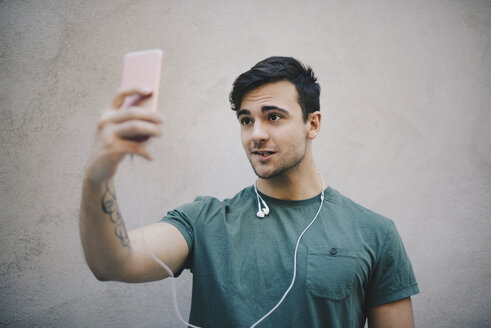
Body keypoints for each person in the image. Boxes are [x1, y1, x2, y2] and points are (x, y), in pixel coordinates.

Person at [80, 56, 419, 328]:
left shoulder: (375, 232)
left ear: (312, 124)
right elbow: (113, 264)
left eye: (273, 117)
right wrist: (98, 179)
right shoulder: (204, 221)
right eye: (246, 120)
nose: (256, 134)